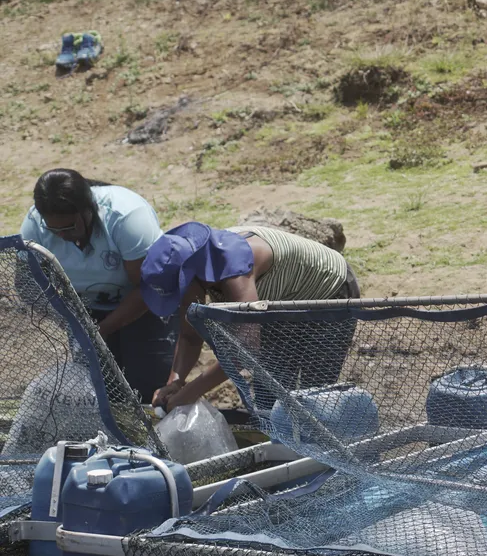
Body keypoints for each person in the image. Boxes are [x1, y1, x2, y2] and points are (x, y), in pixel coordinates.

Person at [140, 222, 360, 414]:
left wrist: (190, 393)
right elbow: (190, 336)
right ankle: (284, 447)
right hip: (278, 306)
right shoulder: (197, 268)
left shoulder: (234, 269)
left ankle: (322, 457)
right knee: (271, 396)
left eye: (180, 289)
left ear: (191, 275)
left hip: (328, 297)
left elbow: (245, 351)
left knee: (314, 396)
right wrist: (175, 383)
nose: (182, 298)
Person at [19, 169, 175, 403]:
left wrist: (101, 330)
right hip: (87, 310)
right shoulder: (35, 225)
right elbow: (25, 282)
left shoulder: (126, 216)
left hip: (146, 304)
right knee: (101, 393)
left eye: (70, 227)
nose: (61, 236)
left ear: (87, 209)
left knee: (147, 386)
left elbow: (148, 287)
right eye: (54, 229)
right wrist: (69, 320)